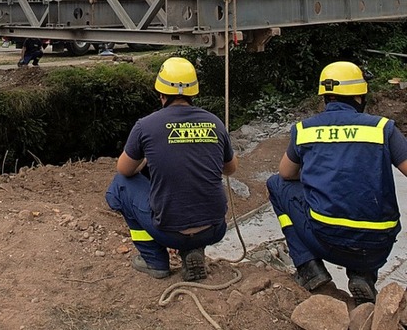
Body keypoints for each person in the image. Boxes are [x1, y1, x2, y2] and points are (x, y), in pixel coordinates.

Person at [267, 61, 407, 305]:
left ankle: (308, 266)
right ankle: (363, 274)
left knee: (276, 185)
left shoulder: (305, 130)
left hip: (326, 239)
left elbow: (285, 174)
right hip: (378, 244)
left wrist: (317, 173)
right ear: (359, 96)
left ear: (325, 97)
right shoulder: (382, 128)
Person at [106, 56, 237, 280]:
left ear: (161, 94)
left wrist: (150, 156)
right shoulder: (215, 122)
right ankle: (193, 250)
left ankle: (154, 260)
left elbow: (125, 170)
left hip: (169, 232)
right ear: (193, 93)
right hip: (214, 229)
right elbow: (230, 169)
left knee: (119, 186)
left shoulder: (146, 125)